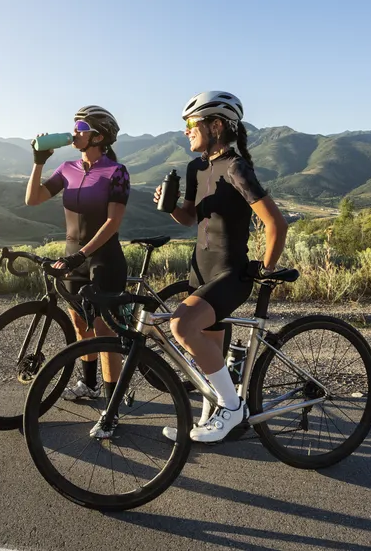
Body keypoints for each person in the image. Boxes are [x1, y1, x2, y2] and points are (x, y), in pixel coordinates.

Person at [153, 91, 288, 443]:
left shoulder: (235, 168)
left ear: (215, 126)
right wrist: (168, 206)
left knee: (182, 326)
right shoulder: (195, 168)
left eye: (190, 123)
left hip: (230, 273)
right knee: (206, 354)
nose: (186, 131)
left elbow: (276, 224)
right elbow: (187, 219)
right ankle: (209, 420)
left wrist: (267, 270)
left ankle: (233, 409)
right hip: (200, 272)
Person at [24, 105, 130, 438]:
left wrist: (82, 254)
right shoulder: (68, 168)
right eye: (74, 125)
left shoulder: (116, 172)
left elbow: (113, 222)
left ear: (98, 136)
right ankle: (89, 383)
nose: (75, 131)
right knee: (80, 323)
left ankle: (112, 410)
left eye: (81, 126)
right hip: (72, 258)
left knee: (104, 332)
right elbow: (33, 199)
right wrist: (39, 162)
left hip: (104, 259)